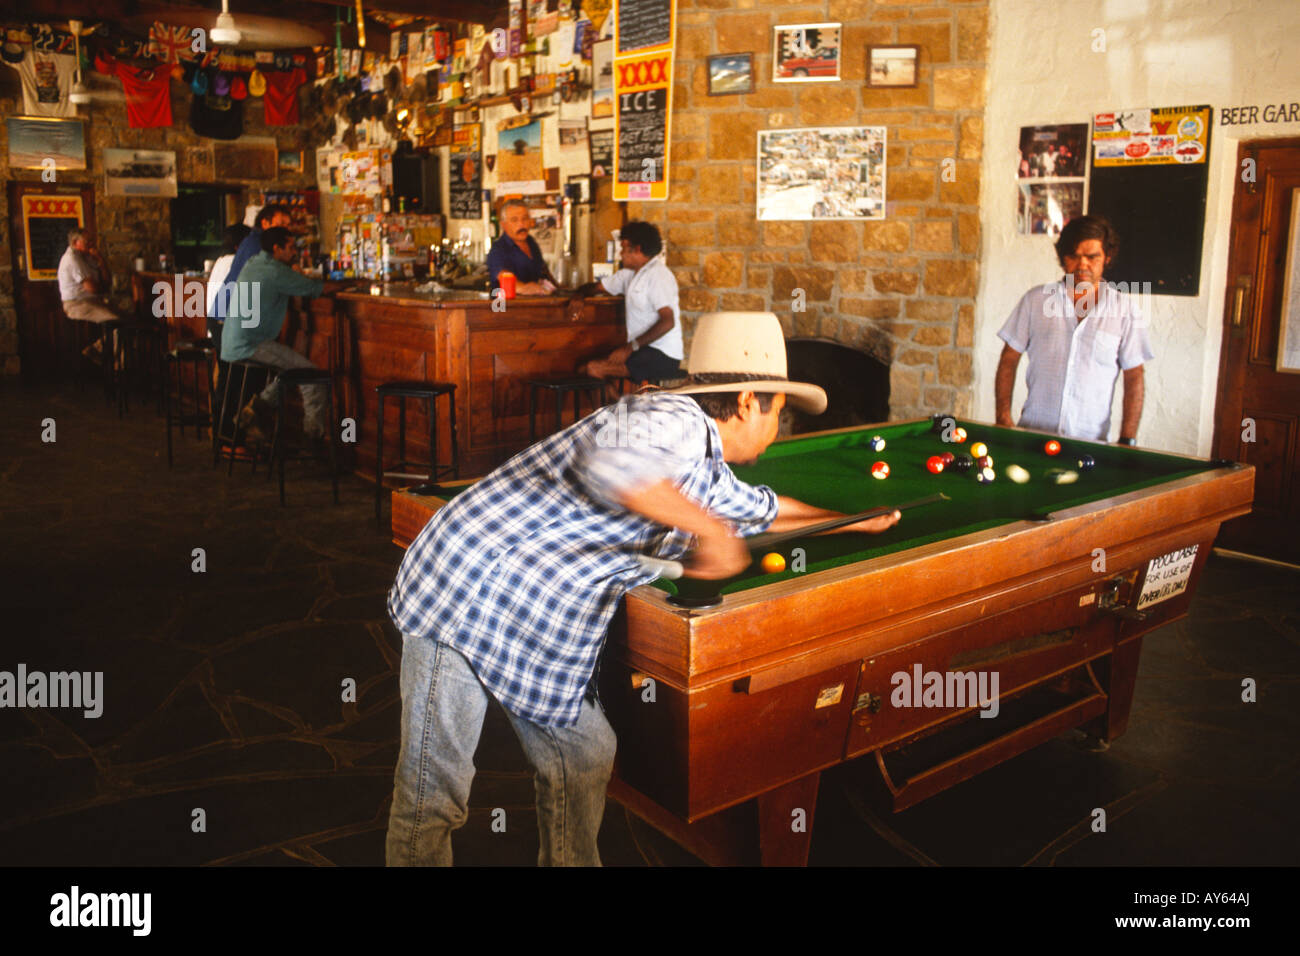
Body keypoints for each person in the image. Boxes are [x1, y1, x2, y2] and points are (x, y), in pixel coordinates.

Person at [385, 311, 902, 866]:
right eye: (782, 413)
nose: (780, 430)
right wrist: (709, 532)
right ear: (750, 401)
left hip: (528, 610)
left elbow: (762, 509)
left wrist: (850, 520)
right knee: (434, 791)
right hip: (466, 585)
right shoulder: (665, 415)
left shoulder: (702, 462)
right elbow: (614, 464)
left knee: (585, 752)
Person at [995, 215, 1153, 444]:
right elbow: (1009, 358)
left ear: (1107, 257)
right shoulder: (1035, 300)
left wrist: (1127, 439)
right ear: (1063, 259)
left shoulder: (1125, 310)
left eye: (1092, 257)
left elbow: (1134, 375)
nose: (1082, 265)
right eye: (1074, 256)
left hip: (1091, 444)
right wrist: (1002, 418)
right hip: (1032, 436)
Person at [220, 227, 328, 447]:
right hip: (251, 344)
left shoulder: (255, 263)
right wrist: (354, 284)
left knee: (291, 373)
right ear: (277, 249)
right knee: (311, 377)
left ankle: (256, 410)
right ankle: (312, 441)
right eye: (290, 248)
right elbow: (317, 289)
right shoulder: (276, 271)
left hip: (234, 342)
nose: (294, 252)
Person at [576, 221, 684, 385]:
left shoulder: (658, 275)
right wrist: (579, 296)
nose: (620, 254)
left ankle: (622, 410)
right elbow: (595, 287)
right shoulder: (629, 274)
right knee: (583, 370)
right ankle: (622, 409)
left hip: (663, 354)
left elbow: (668, 322)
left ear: (638, 249)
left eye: (623, 248)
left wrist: (629, 348)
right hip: (641, 350)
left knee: (595, 369)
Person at [215, 203, 293, 317]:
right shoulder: (257, 244)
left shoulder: (258, 241)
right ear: (265, 223)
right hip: (228, 316)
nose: (286, 230)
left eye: (288, 225)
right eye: (281, 224)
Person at [58, 228, 121, 363]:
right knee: (117, 323)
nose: (92, 244)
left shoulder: (86, 256)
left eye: (92, 240)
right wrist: (103, 287)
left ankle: (98, 350)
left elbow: (107, 281)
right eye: (88, 241)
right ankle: (114, 366)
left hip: (93, 301)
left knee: (126, 320)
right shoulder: (72, 259)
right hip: (76, 304)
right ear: (76, 243)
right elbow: (92, 288)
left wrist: (100, 260)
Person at [486, 199, 559, 295]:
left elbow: (543, 271)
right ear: (503, 225)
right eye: (514, 220)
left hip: (534, 304)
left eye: (525, 219)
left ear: (530, 221)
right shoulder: (498, 250)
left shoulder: (531, 242)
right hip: (505, 306)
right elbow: (507, 280)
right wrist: (526, 288)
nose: (521, 224)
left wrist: (558, 288)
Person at [205, 223, 251, 352]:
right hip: (226, 328)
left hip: (215, 326)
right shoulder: (235, 263)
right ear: (239, 247)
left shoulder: (220, 261)